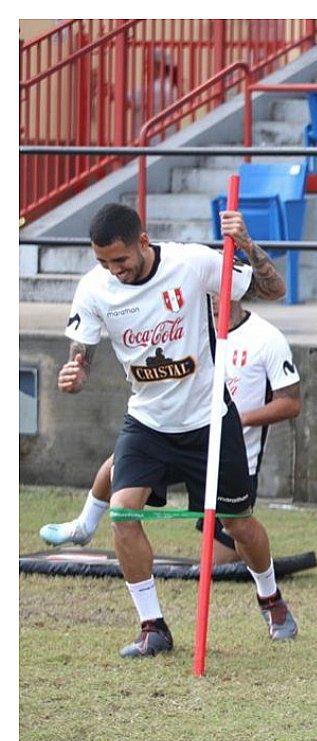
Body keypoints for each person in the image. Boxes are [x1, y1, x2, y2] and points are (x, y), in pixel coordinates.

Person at [58, 202, 298, 658]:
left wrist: (246, 244)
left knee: (238, 523)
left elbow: (274, 289)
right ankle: (153, 627)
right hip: (146, 421)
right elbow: (81, 352)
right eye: (104, 262)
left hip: (208, 419)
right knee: (124, 513)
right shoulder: (93, 289)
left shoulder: (192, 263)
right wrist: (76, 373)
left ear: (143, 242)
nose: (114, 271)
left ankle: (271, 599)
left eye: (121, 260)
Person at [41, 300, 302, 567]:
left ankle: (268, 593)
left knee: (221, 560)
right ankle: (84, 524)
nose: (208, 301)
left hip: (230, 455)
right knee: (120, 461)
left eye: (214, 292)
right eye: (202, 295)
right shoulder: (183, 330)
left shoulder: (266, 337)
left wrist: (233, 421)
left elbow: (291, 403)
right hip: (179, 437)